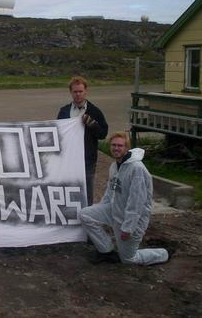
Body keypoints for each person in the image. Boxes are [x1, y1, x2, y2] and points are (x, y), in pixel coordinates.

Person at [79, 132, 171, 265]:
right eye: (113, 145)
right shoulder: (115, 166)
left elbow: (137, 203)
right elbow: (111, 191)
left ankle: (164, 253)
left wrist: (128, 228)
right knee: (86, 215)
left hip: (132, 219)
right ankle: (106, 251)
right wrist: (101, 208)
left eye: (120, 146)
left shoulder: (136, 169)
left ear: (126, 148)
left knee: (128, 259)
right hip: (114, 210)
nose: (116, 148)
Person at [57, 76, 108, 206]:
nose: (78, 94)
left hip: (87, 160)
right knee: (68, 189)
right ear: (71, 92)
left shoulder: (95, 111)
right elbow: (57, 133)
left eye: (80, 91)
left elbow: (103, 134)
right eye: (75, 92)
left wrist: (92, 124)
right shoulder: (63, 111)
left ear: (86, 91)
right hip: (68, 158)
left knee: (87, 191)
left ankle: (87, 219)